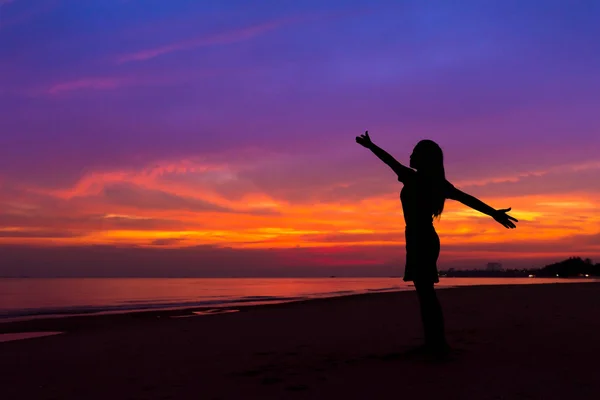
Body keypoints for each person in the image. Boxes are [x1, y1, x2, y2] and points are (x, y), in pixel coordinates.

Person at [355, 131, 518, 356]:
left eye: (414, 153)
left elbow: (389, 161)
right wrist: (493, 213)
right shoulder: (434, 182)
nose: (410, 156)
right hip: (421, 237)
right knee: (425, 292)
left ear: (424, 158)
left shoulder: (415, 178)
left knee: (426, 293)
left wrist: (493, 213)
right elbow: (467, 198)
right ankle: (434, 343)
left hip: (421, 238)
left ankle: (437, 346)